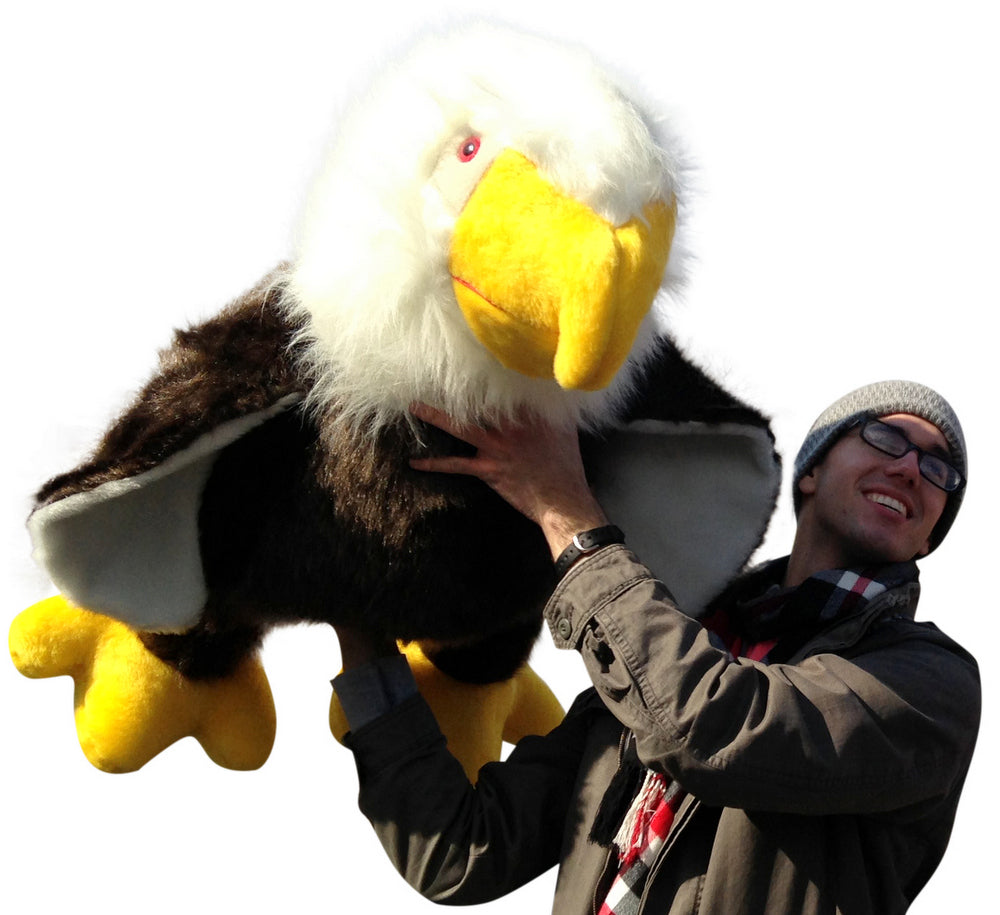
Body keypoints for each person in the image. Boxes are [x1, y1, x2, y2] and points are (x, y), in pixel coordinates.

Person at [331, 380, 980, 915]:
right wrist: (357, 625)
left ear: (929, 536)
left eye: (938, 468)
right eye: (887, 437)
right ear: (811, 473)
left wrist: (566, 513)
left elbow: (708, 725)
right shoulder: (685, 639)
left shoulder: (927, 683)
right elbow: (461, 850)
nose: (910, 467)